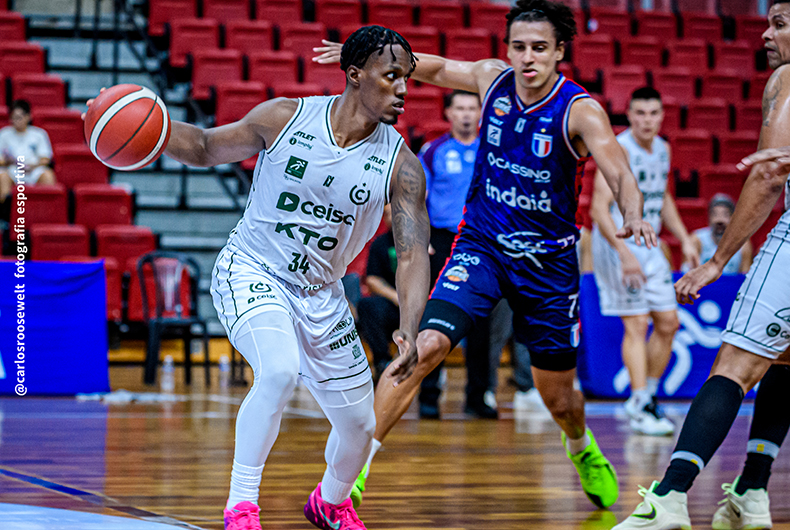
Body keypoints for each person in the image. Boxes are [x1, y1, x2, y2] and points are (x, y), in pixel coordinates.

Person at [315, 0, 656, 510]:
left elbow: (621, 171)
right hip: (483, 248)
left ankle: (580, 445)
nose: (527, 58)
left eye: (539, 48)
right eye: (519, 47)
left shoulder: (579, 110)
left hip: (549, 267)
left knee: (558, 398)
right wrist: (363, 56)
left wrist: (633, 212)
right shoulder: (491, 80)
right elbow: (428, 67)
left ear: (559, 51)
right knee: (423, 345)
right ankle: (349, 474)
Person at [88, 26, 431, 530]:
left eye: (407, 78)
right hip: (254, 269)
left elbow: (412, 254)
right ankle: (241, 505)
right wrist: (137, 118)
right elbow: (205, 146)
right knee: (278, 371)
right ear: (355, 75)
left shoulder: (402, 167)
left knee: (361, 426)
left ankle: (331, 502)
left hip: (322, 295)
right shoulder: (285, 117)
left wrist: (410, 326)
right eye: (391, 76)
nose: (402, 89)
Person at [614, 2, 790, 528]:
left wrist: (717, 260)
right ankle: (752, 490)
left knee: (733, 368)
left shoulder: (786, 78)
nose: (765, 33)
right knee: (783, 359)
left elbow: (768, 176)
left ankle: (669, 498)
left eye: (779, 23)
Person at [590, 86, 699, 436]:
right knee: (636, 324)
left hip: (649, 243)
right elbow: (598, 209)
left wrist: (684, 238)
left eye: (653, 113)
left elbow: (662, 197)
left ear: (662, 116)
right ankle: (639, 403)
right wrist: (624, 255)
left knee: (668, 323)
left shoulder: (663, 149)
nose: (647, 120)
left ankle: (648, 396)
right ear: (629, 115)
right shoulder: (618, 149)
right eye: (640, 113)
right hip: (618, 245)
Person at [418, 89, 497, 419]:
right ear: (448, 113)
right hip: (442, 239)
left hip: (482, 241)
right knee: (434, 317)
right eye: (459, 108)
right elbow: (414, 197)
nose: (466, 114)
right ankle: (428, 395)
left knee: (481, 321)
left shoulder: (492, 150)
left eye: (471, 108)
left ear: (480, 113)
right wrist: (421, 237)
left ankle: (478, 397)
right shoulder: (433, 150)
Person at [0, 99, 56, 203]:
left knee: (48, 175)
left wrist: (32, 166)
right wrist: (8, 161)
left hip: (33, 170)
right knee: (2, 176)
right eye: (13, 118)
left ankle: (47, 208)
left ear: (28, 117)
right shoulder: (3, 134)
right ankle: (5, 210)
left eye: (19, 118)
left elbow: (45, 158)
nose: (16, 121)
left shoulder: (39, 134)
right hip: (12, 169)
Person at [685, 193, 753, 274]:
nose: (719, 220)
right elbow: (686, 273)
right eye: (715, 215)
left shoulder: (742, 245)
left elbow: (745, 276)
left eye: (725, 215)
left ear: (733, 219)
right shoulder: (697, 240)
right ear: (709, 218)